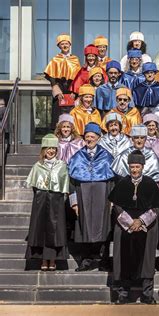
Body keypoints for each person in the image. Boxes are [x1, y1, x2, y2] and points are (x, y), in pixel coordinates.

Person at [109, 150, 159, 305]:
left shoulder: (150, 184)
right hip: (125, 227)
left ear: (143, 167)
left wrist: (141, 221)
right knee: (124, 260)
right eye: (132, 166)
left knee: (146, 261)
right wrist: (130, 223)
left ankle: (147, 294)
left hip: (146, 228)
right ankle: (123, 294)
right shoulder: (122, 184)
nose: (134, 170)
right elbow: (117, 206)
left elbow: (156, 207)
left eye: (137, 166)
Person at [68, 122, 115, 272]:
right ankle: (85, 260)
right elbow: (72, 183)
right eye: (87, 137)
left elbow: (112, 181)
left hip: (103, 196)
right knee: (84, 227)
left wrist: (112, 201)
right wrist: (74, 203)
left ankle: (104, 260)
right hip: (83, 194)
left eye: (92, 137)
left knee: (104, 227)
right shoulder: (77, 157)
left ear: (98, 138)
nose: (89, 139)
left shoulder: (107, 156)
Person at [25, 134, 69, 271]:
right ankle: (44, 259)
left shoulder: (61, 165)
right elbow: (34, 186)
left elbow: (65, 185)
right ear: (44, 150)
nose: (51, 151)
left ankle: (53, 259)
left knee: (55, 230)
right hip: (41, 200)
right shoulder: (38, 166)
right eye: (48, 148)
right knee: (42, 229)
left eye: (54, 149)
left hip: (56, 200)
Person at [44, 34, 81, 125]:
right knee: (58, 112)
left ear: (70, 45)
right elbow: (51, 76)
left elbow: (78, 77)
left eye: (66, 43)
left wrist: (75, 91)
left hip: (71, 89)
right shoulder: (55, 60)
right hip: (60, 88)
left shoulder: (75, 59)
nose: (65, 46)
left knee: (72, 112)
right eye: (62, 44)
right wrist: (57, 90)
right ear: (59, 46)